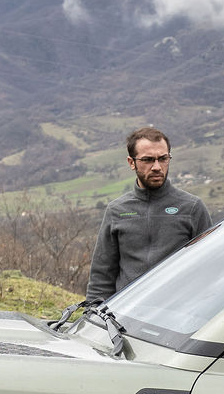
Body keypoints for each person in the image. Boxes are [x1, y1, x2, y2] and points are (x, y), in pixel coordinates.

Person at [86, 127, 211, 299]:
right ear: (132, 162)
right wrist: (94, 314)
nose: (157, 167)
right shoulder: (117, 211)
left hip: (180, 313)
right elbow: (102, 275)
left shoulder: (192, 208)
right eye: (148, 160)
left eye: (163, 158)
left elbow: (209, 267)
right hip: (126, 315)